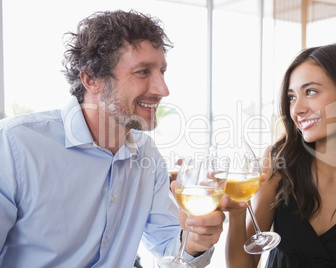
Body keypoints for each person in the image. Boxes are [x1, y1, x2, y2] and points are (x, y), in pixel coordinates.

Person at [0, 10, 226, 267]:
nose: (163, 89)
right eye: (143, 72)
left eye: (162, 71)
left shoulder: (146, 154)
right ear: (91, 79)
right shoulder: (14, 146)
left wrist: (195, 242)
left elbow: (170, 250)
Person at [224, 43, 336, 267]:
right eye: (291, 97)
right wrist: (236, 214)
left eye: (310, 92)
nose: (297, 109)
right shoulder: (278, 164)